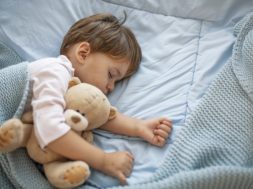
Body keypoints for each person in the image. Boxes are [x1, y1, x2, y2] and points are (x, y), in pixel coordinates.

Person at [1, 13, 172, 184]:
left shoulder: (72, 89)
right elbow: (49, 128)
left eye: (117, 82)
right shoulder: (55, 71)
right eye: (111, 74)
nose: (111, 87)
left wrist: (138, 127)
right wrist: (103, 160)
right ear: (83, 53)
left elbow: (91, 111)